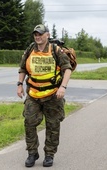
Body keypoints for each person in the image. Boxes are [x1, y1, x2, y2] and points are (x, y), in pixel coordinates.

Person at [17, 24, 72, 167]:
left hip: (53, 95)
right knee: (29, 121)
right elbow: (22, 68)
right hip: (33, 94)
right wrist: (19, 84)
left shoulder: (55, 50)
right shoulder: (30, 49)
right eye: (35, 34)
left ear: (47, 35)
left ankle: (49, 154)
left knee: (53, 125)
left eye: (40, 34)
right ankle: (32, 153)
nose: (37, 36)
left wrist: (63, 87)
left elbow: (67, 69)